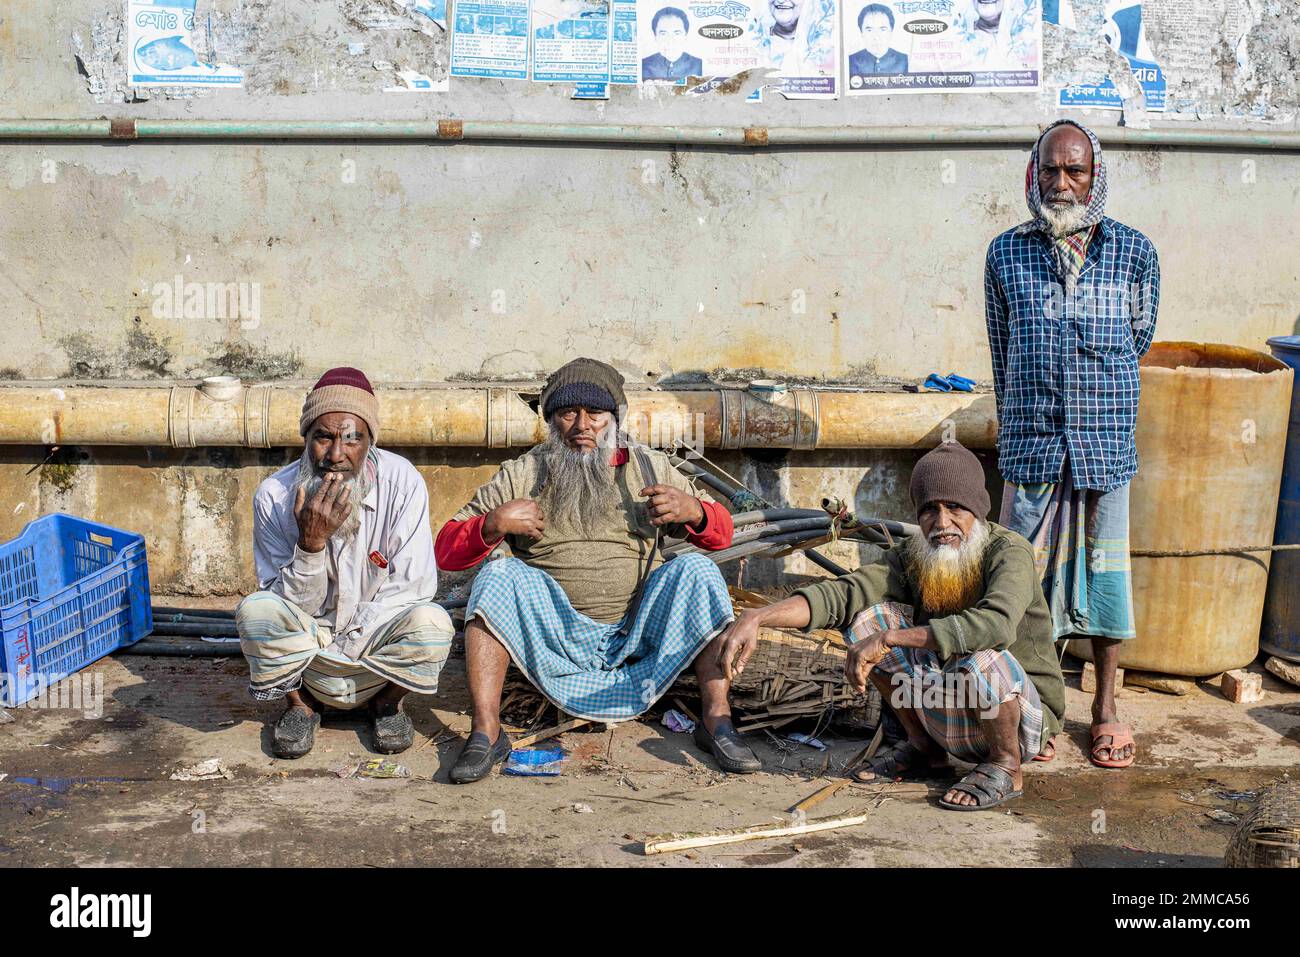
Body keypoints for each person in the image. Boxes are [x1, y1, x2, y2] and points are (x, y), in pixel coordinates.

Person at [436, 357, 758, 782]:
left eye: (596, 414)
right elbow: (445, 552)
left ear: (615, 419)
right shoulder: (523, 473)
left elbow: (721, 534)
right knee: (497, 577)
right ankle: (486, 732)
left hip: (636, 630)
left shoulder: (649, 467)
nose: (582, 426)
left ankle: (716, 721)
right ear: (551, 421)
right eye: (568, 413)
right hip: (556, 633)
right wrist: (492, 523)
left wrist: (695, 510)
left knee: (697, 570)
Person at [714, 443, 1065, 811]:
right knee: (867, 622)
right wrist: (757, 616)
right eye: (930, 510)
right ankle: (924, 748)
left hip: (1022, 721)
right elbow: (845, 594)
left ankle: (1005, 766)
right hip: (953, 714)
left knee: (981, 655)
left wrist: (892, 638)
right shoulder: (915, 554)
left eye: (955, 508)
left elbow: (995, 625)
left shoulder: (1010, 551)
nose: (942, 523)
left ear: (978, 509)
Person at [984, 120, 1160, 769]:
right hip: (1031, 442)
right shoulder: (1006, 254)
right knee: (1019, 585)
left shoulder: (1135, 253)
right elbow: (1003, 353)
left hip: (1104, 443)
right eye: (1051, 170)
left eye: (1075, 170)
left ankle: (1106, 707)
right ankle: (1039, 708)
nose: (1063, 182)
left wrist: (1091, 392)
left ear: (1096, 175)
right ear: (1034, 175)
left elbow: (1138, 341)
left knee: (1107, 583)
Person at [236, 368, 452, 759]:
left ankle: (387, 705)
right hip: (305, 660)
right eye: (324, 437)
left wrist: (349, 644)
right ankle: (300, 707)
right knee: (256, 613)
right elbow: (286, 605)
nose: (336, 456)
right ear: (306, 439)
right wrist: (311, 544)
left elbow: (414, 587)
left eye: (352, 438)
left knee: (433, 623)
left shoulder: (402, 482)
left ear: (370, 442)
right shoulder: (273, 496)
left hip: (376, 655)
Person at [641, 7, 703, 81]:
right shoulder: (643, 65)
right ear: (655, 37)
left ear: (685, 36)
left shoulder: (699, 65)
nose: (670, 40)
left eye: (677, 33)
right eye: (663, 34)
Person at [848, 4, 908, 76]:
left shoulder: (904, 60)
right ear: (861, 33)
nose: (876, 37)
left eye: (882, 29)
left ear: (891, 31)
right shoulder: (850, 61)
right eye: (869, 30)